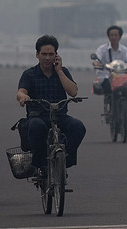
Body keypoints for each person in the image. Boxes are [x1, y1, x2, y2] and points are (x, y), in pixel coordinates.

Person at [16, 35, 86, 175]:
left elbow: (73, 92)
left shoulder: (63, 72)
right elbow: (21, 91)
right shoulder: (29, 74)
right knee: (37, 127)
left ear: (56, 55)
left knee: (78, 127)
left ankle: (65, 159)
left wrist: (59, 71)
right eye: (44, 54)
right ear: (37, 54)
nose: (47, 58)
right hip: (38, 116)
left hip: (60, 115)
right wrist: (23, 97)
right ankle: (40, 163)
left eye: (51, 54)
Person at [92, 25, 127, 105]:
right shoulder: (102, 49)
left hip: (122, 77)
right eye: (111, 35)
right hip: (106, 78)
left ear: (120, 37)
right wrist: (96, 63)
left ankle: (124, 105)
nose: (114, 37)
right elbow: (96, 59)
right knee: (114, 85)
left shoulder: (125, 50)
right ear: (108, 37)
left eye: (116, 35)